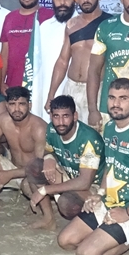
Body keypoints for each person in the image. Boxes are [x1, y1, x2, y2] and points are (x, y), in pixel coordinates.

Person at [56, 79, 129, 255]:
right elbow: (111, 165)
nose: (116, 103)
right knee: (65, 241)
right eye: (112, 97)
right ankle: (107, 234)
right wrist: (99, 194)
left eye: (123, 98)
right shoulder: (109, 127)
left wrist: (127, 213)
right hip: (109, 204)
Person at [25, 95, 102, 230]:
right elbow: (48, 150)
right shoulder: (52, 129)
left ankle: (87, 225)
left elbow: (84, 182)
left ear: (75, 116)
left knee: (68, 204)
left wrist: (45, 190)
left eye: (65, 116)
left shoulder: (88, 139)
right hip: (69, 175)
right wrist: (49, 157)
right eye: (56, 116)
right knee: (35, 167)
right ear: (51, 117)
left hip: (93, 186)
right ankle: (48, 219)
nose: (60, 122)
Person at [49, 0, 112, 122]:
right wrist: (51, 95)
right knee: (68, 131)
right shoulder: (71, 25)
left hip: (97, 90)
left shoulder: (109, 25)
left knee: (96, 133)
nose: (85, 0)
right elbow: (63, 61)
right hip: (71, 88)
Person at [0, 87, 50, 215]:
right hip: (12, 167)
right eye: (12, 104)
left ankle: (44, 203)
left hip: (31, 175)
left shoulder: (39, 127)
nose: (16, 109)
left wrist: (9, 174)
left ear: (29, 105)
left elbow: (39, 167)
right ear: (7, 106)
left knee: (27, 186)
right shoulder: (3, 120)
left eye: (21, 104)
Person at [29, 0, 77, 121]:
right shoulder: (44, 27)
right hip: (46, 92)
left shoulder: (82, 26)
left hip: (73, 92)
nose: (62, 3)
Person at [0, 0, 53, 97]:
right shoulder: (10, 18)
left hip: (41, 85)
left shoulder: (50, 17)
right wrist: (1, 82)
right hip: (13, 85)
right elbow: (4, 53)